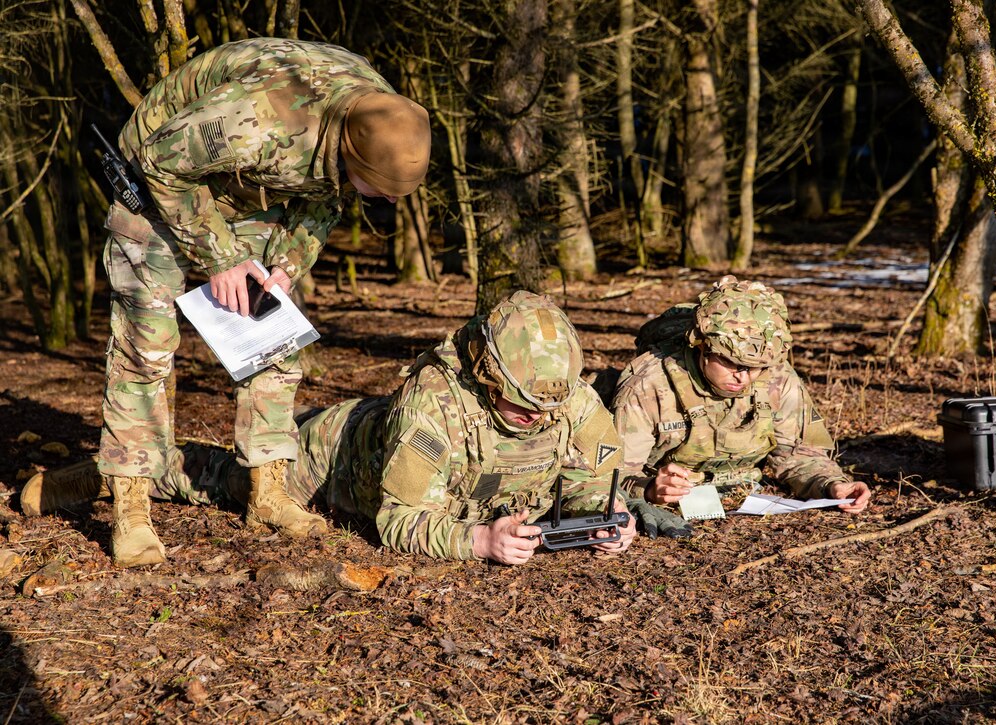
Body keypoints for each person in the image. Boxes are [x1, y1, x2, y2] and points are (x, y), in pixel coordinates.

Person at [93, 37, 431, 568]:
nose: (389, 202)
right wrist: (222, 258)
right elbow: (162, 162)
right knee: (146, 347)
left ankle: (268, 491)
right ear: (350, 151)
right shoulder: (259, 121)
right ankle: (131, 507)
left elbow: (328, 194)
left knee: (273, 333)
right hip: (159, 177)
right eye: (383, 190)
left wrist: (287, 265)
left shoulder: (384, 114)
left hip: (244, 185)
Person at [25, 292, 636, 564]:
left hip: (408, 461)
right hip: (332, 459)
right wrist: (477, 542)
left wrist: (608, 520)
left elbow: (594, 479)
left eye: (546, 409)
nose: (537, 419)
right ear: (486, 374)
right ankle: (108, 476)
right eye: (520, 405)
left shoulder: (570, 399)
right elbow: (399, 521)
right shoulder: (434, 406)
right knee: (222, 478)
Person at [611, 276, 870, 534]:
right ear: (703, 347)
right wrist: (649, 489)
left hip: (746, 497)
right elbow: (610, 475)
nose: (743, 377)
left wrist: (832, 485)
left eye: (755, 367)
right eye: (731, 363)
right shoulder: (650, 385)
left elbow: (799, 455)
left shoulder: (777, 378)